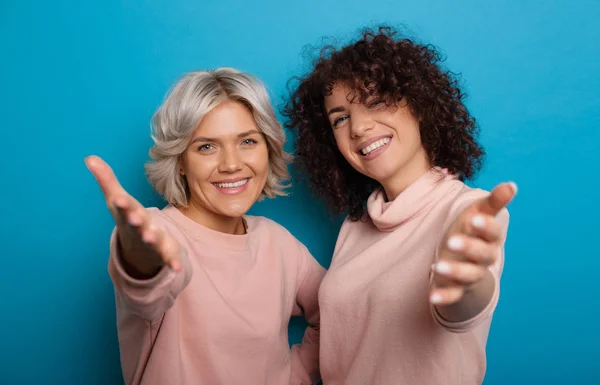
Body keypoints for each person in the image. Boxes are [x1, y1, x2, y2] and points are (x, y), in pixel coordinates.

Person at [283, 27, 516, 385]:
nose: (358, 127)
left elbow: (459, 310)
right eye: (340, 118)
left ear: (420, 105)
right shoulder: (356, 225)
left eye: (375, 101)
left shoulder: (466, 210)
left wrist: (462, 285)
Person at [85, 68, 324, 385]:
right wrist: (141, 257)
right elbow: (148, 286)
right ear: (180, 161)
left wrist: (297, 374)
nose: (231, 164)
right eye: (206, 147)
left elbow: (340, 311)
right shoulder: (159, 232)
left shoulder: (279, 243)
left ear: (269, 148)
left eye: (248, 141)